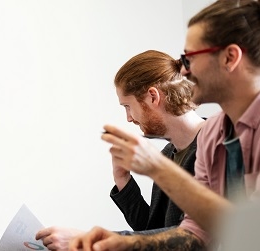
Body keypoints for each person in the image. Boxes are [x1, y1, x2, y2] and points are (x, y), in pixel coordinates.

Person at [70, 1, 260, 250]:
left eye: (189, 58)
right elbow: (196, 232)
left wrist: (157, 168)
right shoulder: (214, 133)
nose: (182, 70)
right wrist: (122, 243)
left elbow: (250, 229)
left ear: (230, 57)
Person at [35, 50, 204, 251]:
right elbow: (153, 232)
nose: (129, 118)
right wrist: (123, 181)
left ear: (152, 97)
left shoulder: (214, 147)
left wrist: (89, 240)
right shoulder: (168, 153)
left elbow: (191, 239)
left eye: (127, 106)